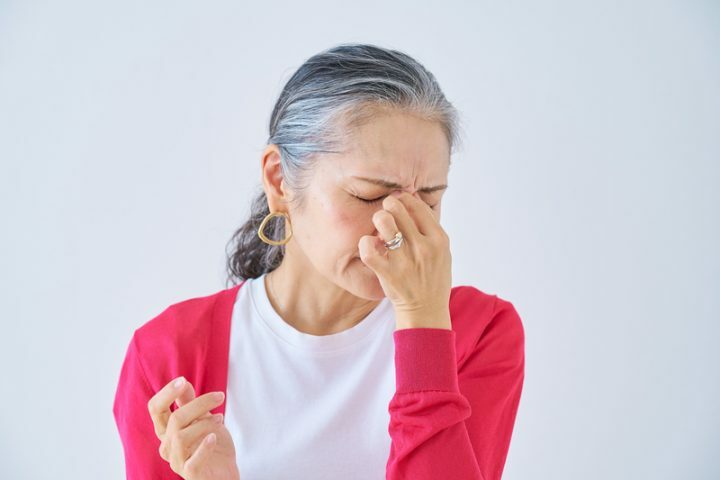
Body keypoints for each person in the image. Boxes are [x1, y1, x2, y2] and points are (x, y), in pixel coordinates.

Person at [113, 42, 525, 480]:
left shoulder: (478, 332)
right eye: (369, 194)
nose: (398, 228)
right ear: (279, 180)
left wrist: (423, 322)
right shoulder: (168, 356)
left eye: (429, 199)